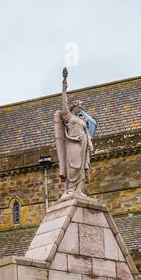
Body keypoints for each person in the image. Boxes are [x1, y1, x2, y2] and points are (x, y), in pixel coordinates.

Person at [54, 66, 92, 196]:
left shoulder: (81, 119)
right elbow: (64, 104)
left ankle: (79, 191)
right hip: (73, 143)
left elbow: (88, 131)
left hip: (83, 145)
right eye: (79, 106)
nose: (80, 108)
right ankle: (71, 189)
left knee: (81, 168)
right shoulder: (68, 116)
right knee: (73, 166)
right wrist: (64, 87)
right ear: (74, 106)